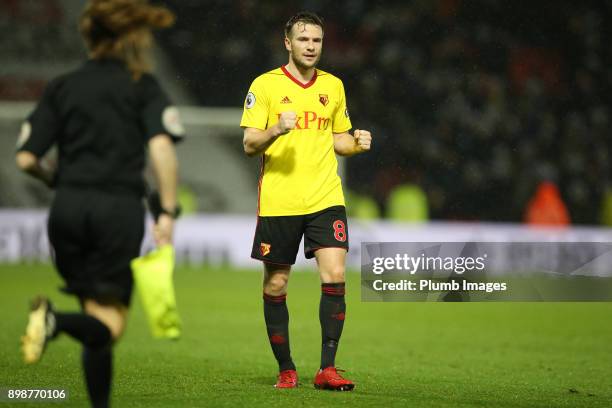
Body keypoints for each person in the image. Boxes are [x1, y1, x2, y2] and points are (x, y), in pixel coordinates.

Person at [16, 1, 183, 406]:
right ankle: (52, 321)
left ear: (88, 37)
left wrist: (58, 179)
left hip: (67, 210)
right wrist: (167, 211)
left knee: (95, 321)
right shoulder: (141, 84)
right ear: (131, 37)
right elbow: (161, 148)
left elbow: (25, 158)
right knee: (110, 324)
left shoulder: (62, 86)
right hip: (116, 210)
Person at [240, 11, 372, 391]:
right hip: (280, 201)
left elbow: (339, 139)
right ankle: (286, 369)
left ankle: (327, 369)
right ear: (288, 42)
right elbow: (249, 143)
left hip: (325, 197)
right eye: (303, 40)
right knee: (277, 283)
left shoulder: (333, 86)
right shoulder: (264, 86)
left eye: (316, 40)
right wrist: (276, 128)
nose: (311, 46)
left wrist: (356, 144)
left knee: (334, 275)